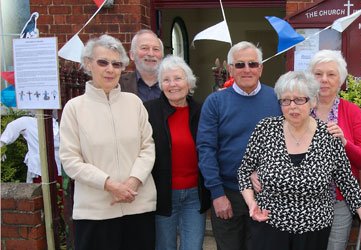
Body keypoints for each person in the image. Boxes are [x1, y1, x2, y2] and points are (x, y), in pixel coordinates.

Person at [251, 50, 361, 250]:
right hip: (288, 204)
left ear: (340, 79)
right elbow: (269, 146)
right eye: (318, 74)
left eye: (331, 74)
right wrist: (259, 169)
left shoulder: (352, 112)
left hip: (337, 199)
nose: (324, 80)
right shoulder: (296, 103)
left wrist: (344, 143)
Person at [59, 34, 156, 250]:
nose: (110, 69)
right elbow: (70, 160)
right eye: (103, 62)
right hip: (96, 210)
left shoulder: (134, 103)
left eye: (116, 64)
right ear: (88, 64)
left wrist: (132, 182)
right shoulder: (74, 109)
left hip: (137, 204)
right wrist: (109, 184)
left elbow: (147, 147)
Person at [197, 41, 282, 250]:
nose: (247, 69)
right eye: (240, 64)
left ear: (261, 68)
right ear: (230, 68)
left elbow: (286, 144)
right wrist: (216, 194)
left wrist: (264, 170)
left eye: (253, 64)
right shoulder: (215, 102)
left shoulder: (278, 99)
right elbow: (206, 149)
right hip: (228, 194)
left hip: (266, 193)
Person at [144, 55, 211, 250]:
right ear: (160, 84)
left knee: (193, 246)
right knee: (165, 246)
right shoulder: (149, 111)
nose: (172, 84)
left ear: (189, 82)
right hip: (163, 194)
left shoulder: (201, 111)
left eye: (178, 78)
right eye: (166, 80)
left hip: (194, 195)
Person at [1, 115, 61, 183]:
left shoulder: (62, 121)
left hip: (62, 164)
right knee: (39, 190)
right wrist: (2, 146)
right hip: (39, 167)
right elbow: (12, 128)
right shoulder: (28, 122)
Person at [119, 29, 164, 102]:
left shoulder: (173, 85)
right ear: (132, 55)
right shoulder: (118, 85)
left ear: (162, 55)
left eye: (156, 49)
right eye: (144, 48)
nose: (151, 54)